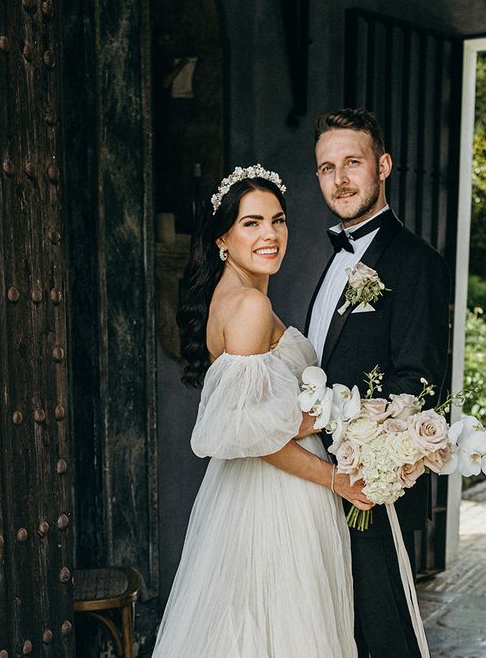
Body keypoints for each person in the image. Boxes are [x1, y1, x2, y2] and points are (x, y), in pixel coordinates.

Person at [153, 164, 367, 657]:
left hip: (261, 491)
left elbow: (259, 419)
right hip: (274, 499)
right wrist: (334, 479)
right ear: (222, 237)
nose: (270, 234)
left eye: (278, 219)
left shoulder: (236, 298)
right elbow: (255, 436)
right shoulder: (248, 308)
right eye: (252, 222)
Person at [306, 109, 451, 658]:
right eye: (326, 168)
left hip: (371, 482)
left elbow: (417, 376)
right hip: (323, 478)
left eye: (352, 163)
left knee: (385, 631)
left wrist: (372, 455)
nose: (339, 179)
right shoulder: (335, 257)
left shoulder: (415, 262)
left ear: (383, 166)